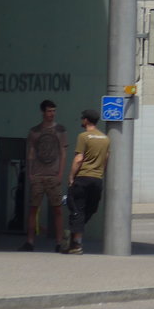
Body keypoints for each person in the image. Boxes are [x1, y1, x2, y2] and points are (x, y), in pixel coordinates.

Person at [21, 99, 68, 252]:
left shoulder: (60, 130)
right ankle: (30, 241)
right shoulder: (35, 131)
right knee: (33, 208)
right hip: (38, 175)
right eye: (49, 111)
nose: (51, 114)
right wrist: (30, 173)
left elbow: (63, 152)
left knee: (58, 209)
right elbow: (31, 152)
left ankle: (59, 242)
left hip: (53, 175)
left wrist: (60, 173)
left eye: (53, 111)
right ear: (43, 112)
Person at [63, 109, 110, 255]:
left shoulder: (83, 136)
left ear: (87, 120)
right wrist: (100, 173)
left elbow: (78, 159)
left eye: (82, 118)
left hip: (82, 178)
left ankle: (76, 243)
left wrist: (71, 177)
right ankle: (74, 237)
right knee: (90, 209)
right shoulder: (105, 138)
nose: (81, 120)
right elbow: (106, 159)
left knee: (77, 209)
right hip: (97, 179)